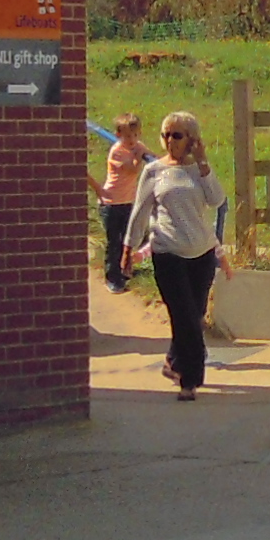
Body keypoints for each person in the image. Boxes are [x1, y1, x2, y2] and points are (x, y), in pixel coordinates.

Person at [127, 109, 226, 399]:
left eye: (178, 135)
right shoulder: (154, 171)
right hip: (168, 251)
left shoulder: (199, 171)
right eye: (166, 135)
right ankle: (189, 380)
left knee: (193, 316)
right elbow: (140, 212)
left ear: (192, 140)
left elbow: (217, 199)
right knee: (182, 315)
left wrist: (204, 162)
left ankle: (173, 360)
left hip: (201, 253)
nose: (170, 141)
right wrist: (128, 248)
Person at [97, 114, 150, 290]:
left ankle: (125, 269)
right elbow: (132, 169)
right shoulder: (117, 152)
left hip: (128, 202)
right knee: (115, 241)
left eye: (136, 135)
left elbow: (152, 157)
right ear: (118, 135)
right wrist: (139, 155)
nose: (132, 140)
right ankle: (112, 278)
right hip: (111, 202)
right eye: (128, 136)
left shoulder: (137, 146)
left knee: (128, 239)